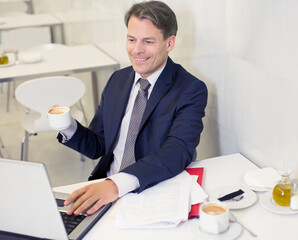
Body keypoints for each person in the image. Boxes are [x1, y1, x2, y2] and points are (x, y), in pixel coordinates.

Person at [56, 0, 208, 216]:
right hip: (106, 190)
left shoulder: (190, 89)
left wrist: (117, 185)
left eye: (148, 41)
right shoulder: (117, 80)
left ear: (170, 43)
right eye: (131, 39)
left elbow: (178, 150)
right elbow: (98, 146)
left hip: (151, 191)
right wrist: (68, 126)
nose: (137, 50)